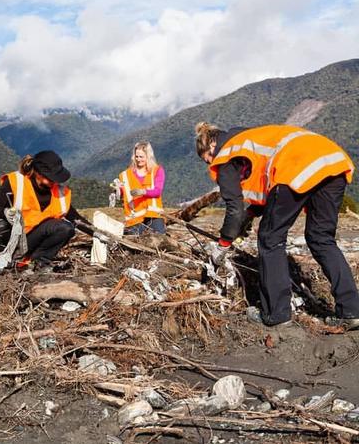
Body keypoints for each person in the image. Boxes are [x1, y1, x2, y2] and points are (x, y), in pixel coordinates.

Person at [194, 121, 359, 329]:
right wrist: (250, 216)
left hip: (296, 164)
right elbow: (266, 197)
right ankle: (351, 310)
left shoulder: (225, 155)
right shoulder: (248, 138)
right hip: (332, 160)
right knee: (321, 238)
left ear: (210, 147)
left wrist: (223, 245)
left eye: (206, 160)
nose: (210, 165)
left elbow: (234, 209)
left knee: (270, 238)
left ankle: (276, 313)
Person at [0, 150, 104, 272]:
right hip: (12, 241)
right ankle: (7, 262)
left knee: (65, 228)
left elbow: (75, 219)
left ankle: (38, 262)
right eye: (51, 177)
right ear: (38, 173)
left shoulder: (59, 192)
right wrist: (6, 213)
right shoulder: (16, 182)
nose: (54, 181)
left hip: (31, 241)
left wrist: (97, 233)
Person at [116, 141, 166, 235]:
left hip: (153, 215)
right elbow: (125, 192)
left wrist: (143, 191)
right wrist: (117, 191)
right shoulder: (125, 175)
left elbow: (157, 191)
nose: (138, 159)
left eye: (141, 157)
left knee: (159, 241)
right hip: (134, 218)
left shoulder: (157, 170)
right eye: (136, 156)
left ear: (148, 156)